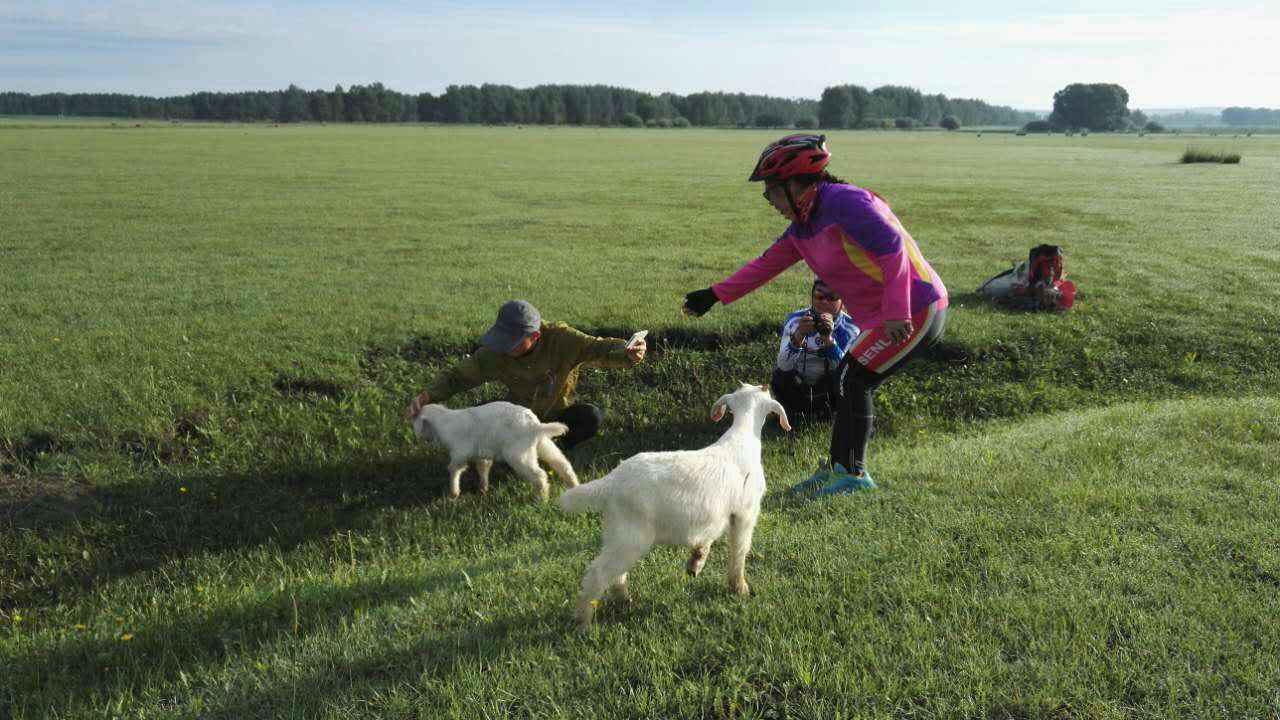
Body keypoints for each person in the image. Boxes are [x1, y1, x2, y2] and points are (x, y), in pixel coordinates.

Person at [682, 134, 948, 495]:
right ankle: (841, 469)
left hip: (915, 307)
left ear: (795, 184)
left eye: (772, 190)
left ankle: (852, 475)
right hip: (893, 314)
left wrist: (898, 310)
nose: (769, 200)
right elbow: (764, 266)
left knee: (851, 380)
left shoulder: (845, 202)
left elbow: (893, 248)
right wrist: (713, 294)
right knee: (849, 379)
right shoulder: (804, 227)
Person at [407, 300, 646, 449]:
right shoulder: (495, 353)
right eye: (503, 340)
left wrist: (628, 353)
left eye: (513, 342)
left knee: (589, 416)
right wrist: (427, 396)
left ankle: (556, 447)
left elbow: (599, 348)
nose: (506, 347)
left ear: (535, 336)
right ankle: (506, 450)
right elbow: (457, 377)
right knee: (476, 419)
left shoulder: (563, 340)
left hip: (556, 416)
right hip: (515, 417)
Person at [771, 278, 858, 424]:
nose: (824, 302)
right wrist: (799, 335)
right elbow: (783, 365)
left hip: (829, 389)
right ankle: (790, 414)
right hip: (798, 386)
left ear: (843, 302)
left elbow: (848, 373)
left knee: (849, 381)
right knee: (779, 376)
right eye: (819, 296)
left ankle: (829, 416)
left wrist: (829, 340)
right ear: (812, 298)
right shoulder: (795, 320)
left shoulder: (851, 328)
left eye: (832, 297)